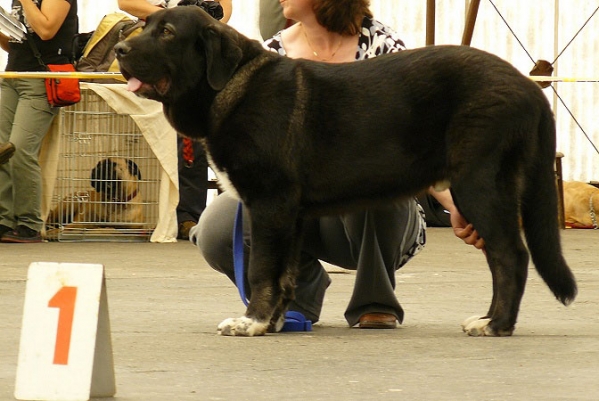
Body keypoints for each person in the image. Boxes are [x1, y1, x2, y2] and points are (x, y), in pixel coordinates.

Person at [191, 0, 484, 330]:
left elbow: (416, 142)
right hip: (298, 207)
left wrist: (453, 204)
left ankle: (375, 300)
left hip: (377, 220)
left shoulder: (384, 47)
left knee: (367, 173)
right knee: (215, 229)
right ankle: (299, 292)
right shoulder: (271, 53)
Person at [117, 0, 232, 239]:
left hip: (195, 63)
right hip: (161, 57)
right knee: (188, 146)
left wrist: (187, 24)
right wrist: (173, 20)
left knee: (201, 147)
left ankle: (202, 216)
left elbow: (223, 14)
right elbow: (125, 2)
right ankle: (188, 217)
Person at [0, 0, 78, 243]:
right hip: (13, 75)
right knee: (2, 150)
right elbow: (16, 44)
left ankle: (29, 223)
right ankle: (5, 220)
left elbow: (46, 30)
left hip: (41, 79)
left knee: (21, 150)